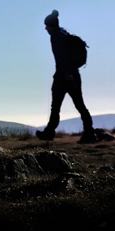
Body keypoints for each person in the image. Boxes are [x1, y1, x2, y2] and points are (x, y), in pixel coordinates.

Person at [35, 9, 96, 143]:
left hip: (64, 76)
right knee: (78, 105)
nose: (45, 29)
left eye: (47, 26)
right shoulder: (63, 33)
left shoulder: (57, 37)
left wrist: (66, 74)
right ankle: (89, 133)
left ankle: (50, 133)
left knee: (58, 106)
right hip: (72, 75)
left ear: (52, 26)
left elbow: (63, 58)